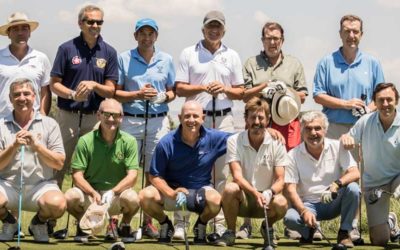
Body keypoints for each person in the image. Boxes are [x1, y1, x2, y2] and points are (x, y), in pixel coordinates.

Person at [313, 14, 384, 239]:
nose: (351, 35)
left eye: (355, 31)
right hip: (332, 127)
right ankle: (315, 223)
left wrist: (367, 110)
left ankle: (351, 225)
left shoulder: (372, 63)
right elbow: (318, 94)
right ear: (340, 34)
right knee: (326, 174)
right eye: (347, 31)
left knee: (357, 177)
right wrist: (346, 103)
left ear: (361, 34)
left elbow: (379, 96)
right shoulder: (327, 61)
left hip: (362, 128)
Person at [174, 9, 244, 239]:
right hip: (195, 119)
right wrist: (203, 87)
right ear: (203, 29)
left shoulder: (232, 55)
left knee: (222, 172)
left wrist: (224, 89)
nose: (214, 30)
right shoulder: (189, 53)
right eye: (210, 26)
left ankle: (219, 224)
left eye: (218, 27)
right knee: (187, 170)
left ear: (224, 30)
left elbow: (240, 91)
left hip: (224, 118)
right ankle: (181, 222)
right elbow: (180, 88)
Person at [241, 21, 308, 241]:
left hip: (288, 122)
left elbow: (303, 95)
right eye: (268, 38)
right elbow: (245, 94)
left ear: (282, 40)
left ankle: (286, 220)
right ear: (262, 40)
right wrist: (264, 87)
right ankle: (247, 223)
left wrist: (285, 89)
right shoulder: (252, 63)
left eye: (276, 38)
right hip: (259, 121)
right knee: (252, 167)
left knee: (287, 172)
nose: (272, 42)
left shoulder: (294, 63)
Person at [115, 17, 175, 239]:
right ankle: (123, 221)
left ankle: (149, 221)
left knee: (154, 173)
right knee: (126, 170)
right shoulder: (124, 58)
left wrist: (161, 97)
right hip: (131, 119)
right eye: (142, 33)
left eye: (151, 33)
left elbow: (172, 92)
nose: (146, 37)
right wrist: (137, 95)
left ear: (156, 36)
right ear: (135, 36)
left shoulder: (166, 59)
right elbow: (116, 92)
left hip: (158, 120)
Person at [139, 101, 230, 245]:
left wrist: (267, 131)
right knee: (145, 196)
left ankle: (201, 225)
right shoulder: (167, 142)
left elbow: (241, 138)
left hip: (200, 191)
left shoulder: (213, 138)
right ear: (180, 118)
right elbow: (154, 176)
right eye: (187, 116)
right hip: (173, 192)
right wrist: (171, 193)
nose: (191, 120)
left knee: (215, 200)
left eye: (195, 116)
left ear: (203, 118)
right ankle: (165, 224)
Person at [50, 4, 118, 188]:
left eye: (99, 22)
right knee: (58, 164)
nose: (95, 25)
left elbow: (111, 90)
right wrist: (73, 94)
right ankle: (50, 213)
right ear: (80, 23)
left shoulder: (109, 52)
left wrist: (95, 85)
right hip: (67, 116)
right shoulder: (66, 48)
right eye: (90, 21)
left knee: (90, 167)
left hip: (95, 118)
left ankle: (85, 215)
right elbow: (54, 83)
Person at [215, 97, 288, 247]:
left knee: (281, 202)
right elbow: (237, 176)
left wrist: (269, 192)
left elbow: (280, 179)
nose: (256, 122)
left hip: (267, 202)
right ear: (246, 119)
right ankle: (230, 232)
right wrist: (256, 194)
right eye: (252, 117)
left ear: (268, 119)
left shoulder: (277, 142)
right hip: (244, 199)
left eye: (261, 117)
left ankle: (267, 228)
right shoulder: (234, 140)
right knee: (230, 188)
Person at [64, 98, 140, 243]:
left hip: (115, 195)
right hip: (90, 194)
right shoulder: (85, 140)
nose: (111, 119)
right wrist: (92, 192)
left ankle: (124, 225)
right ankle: (84, 224)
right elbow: (77, 175)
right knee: (69, 197)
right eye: (106, 114)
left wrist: (113, 191)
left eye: (116, 115)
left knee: (133, 199)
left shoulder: (129, 141)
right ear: (98, 115)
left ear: (121, 118)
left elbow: (133, 176)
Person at [0, 78, 66, 243]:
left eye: (26, 93)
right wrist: (13, 146)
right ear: (10, 99)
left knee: (58, 205)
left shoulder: (50, 124)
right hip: (7, 184)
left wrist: (37, 147)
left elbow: (59, 163)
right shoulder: (1, 125)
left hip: (41, 185)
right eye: (16, 95)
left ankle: (38, 223)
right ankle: (9, 221)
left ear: (35, 96)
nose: (22, 98)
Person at [284, 111, 360, 248]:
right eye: (308, 128)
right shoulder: (292, 155)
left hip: (333, 201)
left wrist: (337, 184)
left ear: (325, 130)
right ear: (302, 131)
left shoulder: (338, 147)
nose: (313, 133)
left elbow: (355, 172)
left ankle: (344, 232)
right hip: (308, 206)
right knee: (289, 219)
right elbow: (290, 189)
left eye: (317, 128)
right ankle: (308, 231)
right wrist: (303, 211)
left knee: (353, 188)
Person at [341, 83, 400, 246]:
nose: (386, 104)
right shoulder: (365, 121)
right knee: (379, 240)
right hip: (374, 184)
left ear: (397, 101)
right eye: (381, 100)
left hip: (398, 178)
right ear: (375, 102)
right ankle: (390, 222)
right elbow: (348, 137)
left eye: (390, 100)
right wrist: (347, 139)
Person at [0, 12, 51, 119]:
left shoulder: (41, 58)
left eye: (24, 29)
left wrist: (42, 115)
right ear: (8, 33)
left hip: (33, 120)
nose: (20, 33)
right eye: (15, 29)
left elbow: (45, 90)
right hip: (2, 121)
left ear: (29, 33)